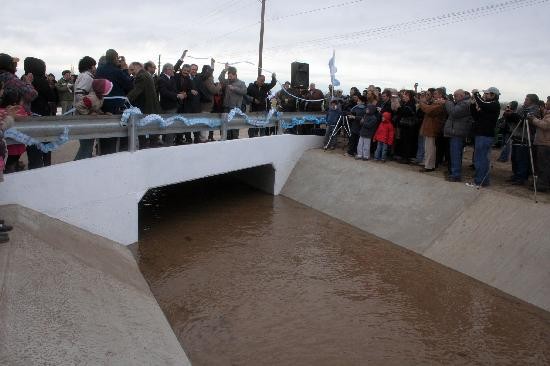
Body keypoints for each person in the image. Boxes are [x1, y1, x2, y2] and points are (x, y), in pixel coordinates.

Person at [95, 49, 134, 154]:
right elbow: (129, 85)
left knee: (103, 134)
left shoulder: (99, 70)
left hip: (101, 104)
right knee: (116, 135)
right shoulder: (117, 71)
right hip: (116, 106)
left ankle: (101, 153)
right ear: (115, 58)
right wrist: (125, 70)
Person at [24, 56, 56, 169]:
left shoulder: (24, 79)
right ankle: (46, 167)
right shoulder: (41, 80)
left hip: (28, 117)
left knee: (32, 146)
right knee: (46, 144)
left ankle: (33, 166)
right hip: (43, 116)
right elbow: (52, 97)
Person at [467, 87, 501, 187]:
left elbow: (482, 104)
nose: (484, 95)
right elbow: (476, 116)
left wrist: (476, 94)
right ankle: (483, 181)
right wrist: (473, 104)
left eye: (486, 94)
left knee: (480, 159)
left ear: (493, 95)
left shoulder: (494, 104)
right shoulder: (488, 107)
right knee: (482, 159)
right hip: (481, 134)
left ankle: (479, 181)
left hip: (485, 136)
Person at [507, 94, 541, 185]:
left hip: (526, 137)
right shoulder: (521, 108)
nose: (525, 101)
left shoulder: (535, 110)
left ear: (532, 101)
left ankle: (521, 177)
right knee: (514, 157)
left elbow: (527, 122)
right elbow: (517, 119)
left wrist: (517, 117)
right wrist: (510, 115)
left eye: (527, 99)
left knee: (521, 158)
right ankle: (516, 174)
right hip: (516, 134)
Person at [127, 62, 162, 148]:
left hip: (146, 110)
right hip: (152, 109)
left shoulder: (141, 76)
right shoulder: (147, 75)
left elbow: (136, 91)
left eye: (132, 69)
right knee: (152, 137)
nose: (131, 72)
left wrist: (125, 100)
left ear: (138, 67)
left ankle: (145, 157)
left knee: (144, 139)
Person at [443, 89, 472, 182]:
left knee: (455, 155)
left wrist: (447, 102)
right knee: (455, 155)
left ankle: (456, 175)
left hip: (457, 133)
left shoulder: (465, 104)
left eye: (455, 96)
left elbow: (453, 112)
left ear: (461, 96)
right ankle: (454, 173)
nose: (454, 99)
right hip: (456, 132)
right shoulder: (464, 103)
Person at [73, 56, 98, 160]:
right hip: (84, 116)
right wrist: (87, 111)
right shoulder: (87, 77)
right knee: (86, 147)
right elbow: (79, 94)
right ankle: (77, 169)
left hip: (80, 115)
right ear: (91, 66)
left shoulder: (82, 76)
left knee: (86, 146)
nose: (96, 68)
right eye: (94, 66)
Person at [418, 88, 447, 172]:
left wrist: (422, 102)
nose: (433, 95)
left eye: (435, 93)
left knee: (430, 149)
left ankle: (429, 166)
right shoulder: (436, 102)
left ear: (441, 95)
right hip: (430, 128)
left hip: (433, 128)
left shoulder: (440, 104)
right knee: (429, 148)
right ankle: (428, 165)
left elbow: (429, 110)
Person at [157, 62, 186, 146]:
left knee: (171, 125)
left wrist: (181, 94)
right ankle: (168, 144)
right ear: (167, 70)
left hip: (173, 105)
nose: (173, 70)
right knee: (170, 125)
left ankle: (168, 143)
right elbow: (164, 92)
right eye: (172, 69)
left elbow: (173, 90)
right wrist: (177, 95)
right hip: (167, 106)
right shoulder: (161, 79)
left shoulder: (172, 78)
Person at [218, 64, 246, 140]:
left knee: (234, 126)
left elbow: (244, 92)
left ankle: (235, 140)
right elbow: (220, 78)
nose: (229, 78)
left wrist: (234, 88)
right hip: (226, 107)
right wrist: (225, 70)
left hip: (235, 108)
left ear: (235, 75)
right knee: (225, 126)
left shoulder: (241, 83)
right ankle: (225, 139)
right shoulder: (227, 81)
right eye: (228, 76)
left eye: (230, 76)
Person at [528, 104, 550, 192]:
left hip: (546, 143)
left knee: (543, 166)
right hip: (544, 142)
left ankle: (542, 185)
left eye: (548, 101)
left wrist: (534, 119)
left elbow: (545, 125)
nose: (546, 103)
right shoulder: (547, 114)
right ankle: (542, 183)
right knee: (543, 165)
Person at [247, 73, 277, 137]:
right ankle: (252, 139)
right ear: (257, 79)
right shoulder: (251, 87)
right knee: (253, 127)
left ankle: (262, 140)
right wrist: (253, 99)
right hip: (253, 110)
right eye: (261, 80)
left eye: (264, 81)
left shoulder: (265, 86)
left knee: (262, 127)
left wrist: (273, 77)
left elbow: (273, 84)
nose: (262, 82)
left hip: (263, 110)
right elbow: (246, 95)